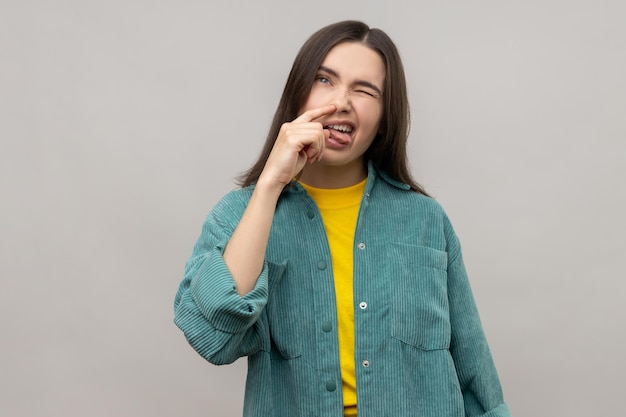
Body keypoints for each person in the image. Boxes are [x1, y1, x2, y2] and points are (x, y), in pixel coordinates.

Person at [174, 20, 512, 417]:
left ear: (386, 116)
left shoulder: (426, 220)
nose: (342, 101)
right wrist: (269, 186)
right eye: (324, 80)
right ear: (298, 94)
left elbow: (473, 366)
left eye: (365, 90)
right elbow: (211, 334)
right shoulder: (239, 215)